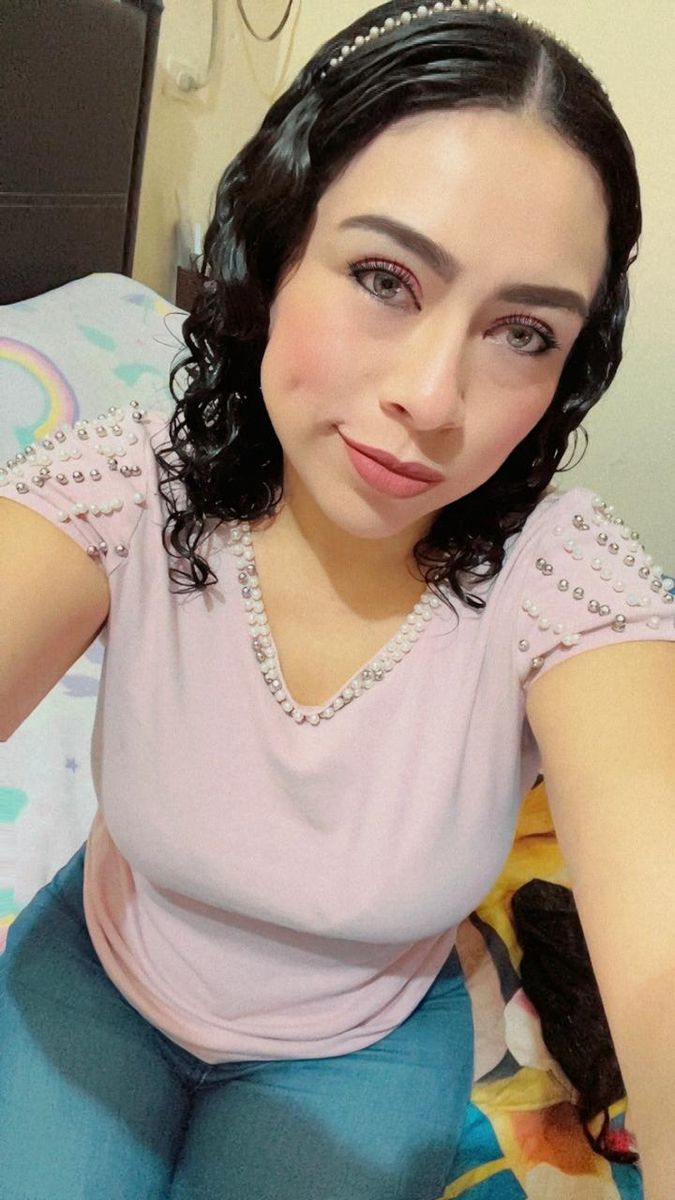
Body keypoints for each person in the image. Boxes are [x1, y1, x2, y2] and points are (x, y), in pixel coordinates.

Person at [0, 1, 673, 1197]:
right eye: (383, 276)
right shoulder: (131, 481)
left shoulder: (567, 580)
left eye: (524, 332)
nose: (434, 398)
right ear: (274, 250)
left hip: (363, 1046)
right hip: (97, 978)